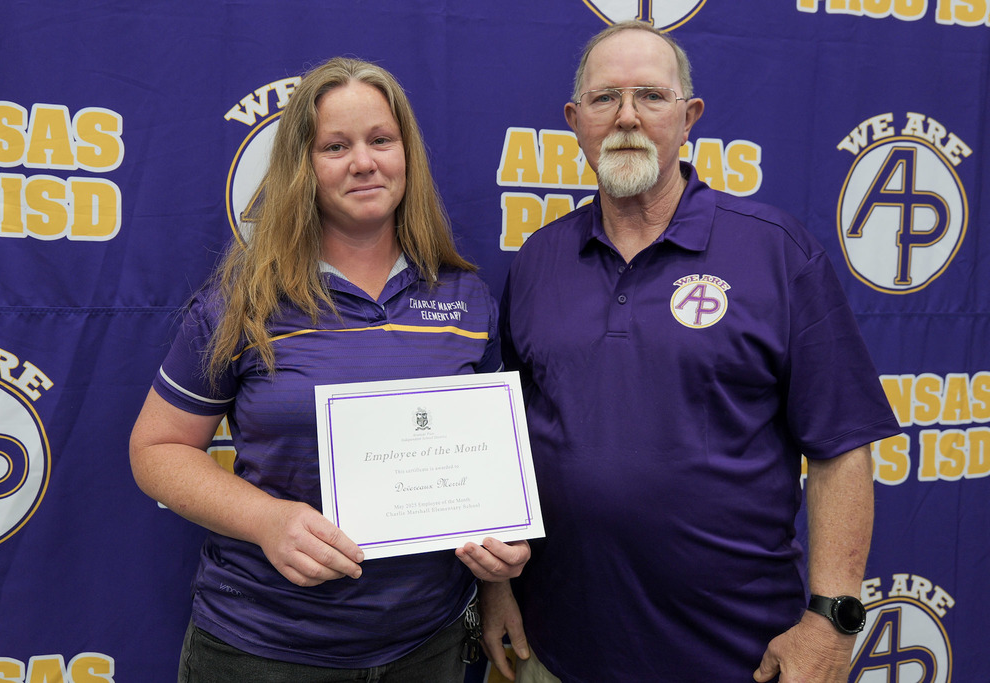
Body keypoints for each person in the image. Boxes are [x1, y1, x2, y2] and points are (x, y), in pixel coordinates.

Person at [480, 21, 901, 683]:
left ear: (689, 116)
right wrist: (496, 587)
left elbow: (842, 446)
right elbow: (500, 444)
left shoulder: (775, 253)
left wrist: (831, 616)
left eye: (650, 96)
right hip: (556, 653)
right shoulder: (538, 260)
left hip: (738, 658)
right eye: (603, 99)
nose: (626, 117)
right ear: (574, 121)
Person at [129, 57, 528, 682]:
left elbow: (486, 473)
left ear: (407, 155)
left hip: (428, 645)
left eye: (381, 140)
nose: (363, 162)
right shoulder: (243, 298)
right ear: (302, 168)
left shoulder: (467, 298)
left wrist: (499, 580)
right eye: (335, 146)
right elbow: (156, 448)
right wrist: (266, 520)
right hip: (264, 648)